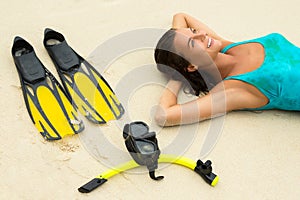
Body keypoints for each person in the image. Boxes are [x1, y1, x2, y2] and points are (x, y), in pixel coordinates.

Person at [154, 13, 300, 127]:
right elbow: (163, 116)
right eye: (193, 42)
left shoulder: (226, 46)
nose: (202, 34)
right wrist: (179, 75)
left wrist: (180, 38)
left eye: (194, 31)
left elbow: (180, 16)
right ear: (191, 66)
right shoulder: (232, 90)